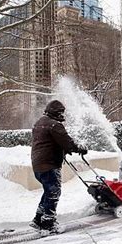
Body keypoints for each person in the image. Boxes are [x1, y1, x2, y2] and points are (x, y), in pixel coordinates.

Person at [30, 100, 87, 233]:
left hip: (38, 164)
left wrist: (62, 150)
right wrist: (80, 149)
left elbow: (47, 142)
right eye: (61, 112)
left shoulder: (39, 122)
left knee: (48, 191)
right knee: (53, 193)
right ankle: (48, 224)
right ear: (56, 112)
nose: (62, 115)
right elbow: (67, 142)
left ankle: (38, 219)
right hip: (49, 164)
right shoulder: (55, 125)